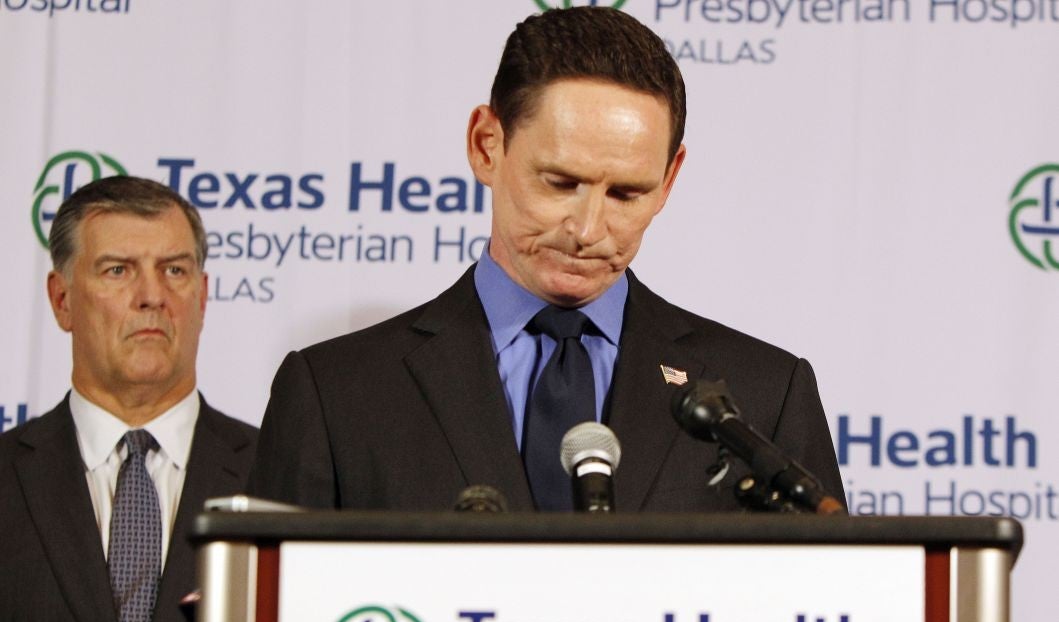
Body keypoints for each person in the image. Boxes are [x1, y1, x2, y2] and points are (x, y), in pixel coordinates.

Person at [247, 7, 844, 513]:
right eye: (560, 183)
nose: (588, 230)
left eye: (626, 194)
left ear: (670, 179)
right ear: (487, 146)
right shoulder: (336, 394)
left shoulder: (766, 395)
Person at [0, 176, 258, 622]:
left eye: (175, 270)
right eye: (118, 270)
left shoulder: (283, 476)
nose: (152, 296)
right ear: (62, 299)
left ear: (203, 295)